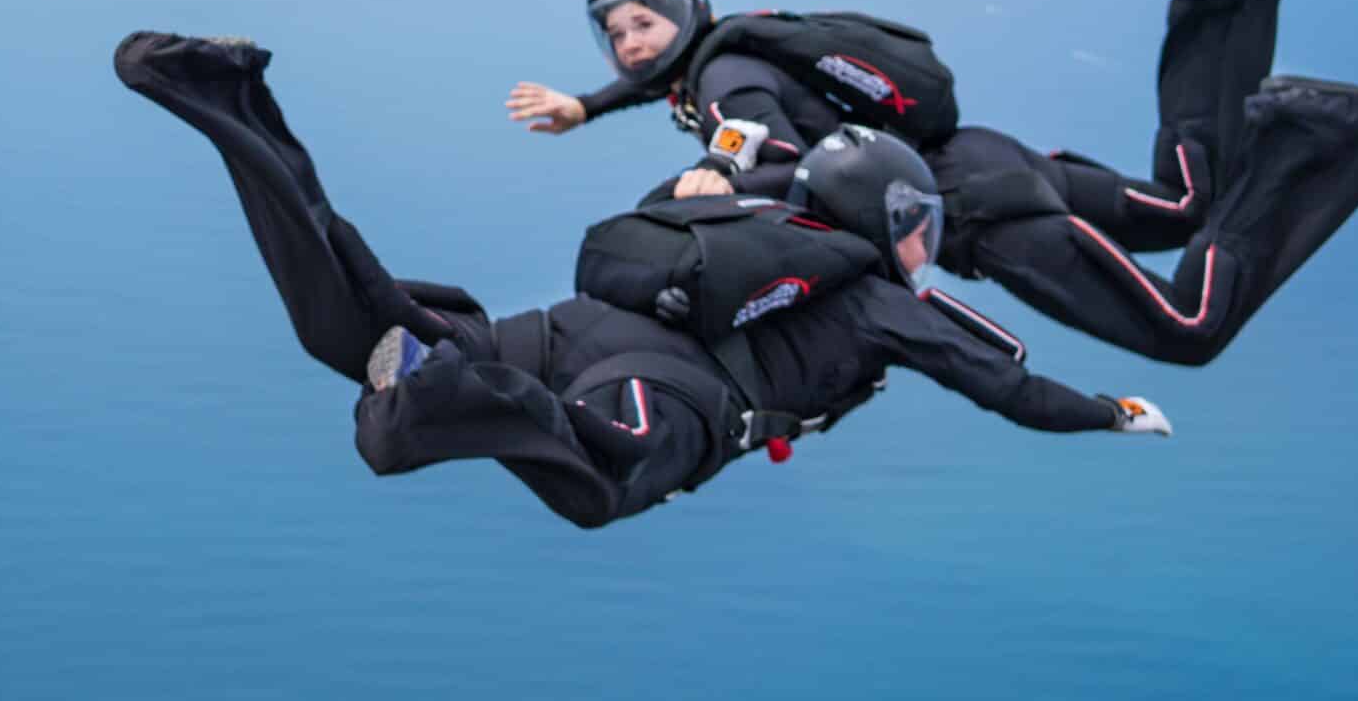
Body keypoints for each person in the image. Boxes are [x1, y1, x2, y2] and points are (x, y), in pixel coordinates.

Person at [116, 30, 1171, 532]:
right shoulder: (881, 293)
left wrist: (703, 140)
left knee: (344, 321)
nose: (921, 249)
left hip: (570, 324)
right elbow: (998, 379)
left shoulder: (739, 201)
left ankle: (224, 98)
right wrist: (1106, 411)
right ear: (882, 218)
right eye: (914, 228)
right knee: (594, 483)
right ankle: (435, 393)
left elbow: (716, 148)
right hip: (672, 394)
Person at [507, 0, 1358, 366]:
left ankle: (1311, 135)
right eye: (613, 34)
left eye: (643, 22)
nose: (629, 45)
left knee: (1190, 328)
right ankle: (1222, 4)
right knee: (1182, 208)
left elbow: (747, 132)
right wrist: (586, 107)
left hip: (984, 217)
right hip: (985, 153)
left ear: (686, 6)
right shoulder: (730, 47)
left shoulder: (722, 81)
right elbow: (687, 82)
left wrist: (720, 175)